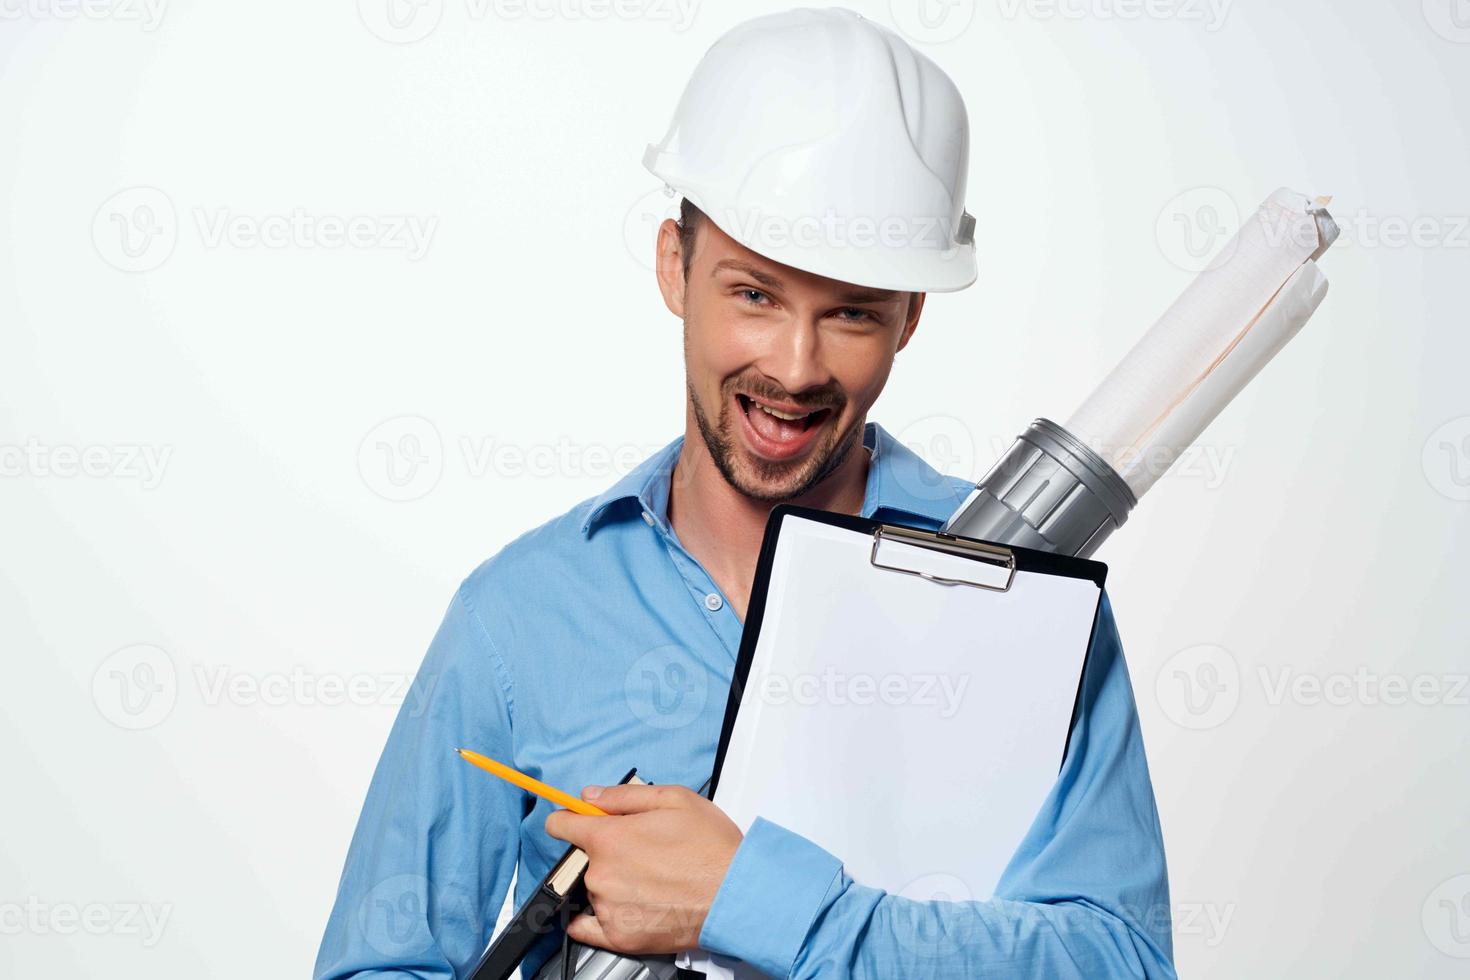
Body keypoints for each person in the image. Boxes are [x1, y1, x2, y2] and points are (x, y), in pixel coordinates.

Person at [314, 8, 1174, 978]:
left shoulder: (1023, 596)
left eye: (850, 311)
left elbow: (1121, 960)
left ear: (911, 315)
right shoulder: (516, 620)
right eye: (755, 294)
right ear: (675, 269)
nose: (796, 368)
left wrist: (748, 900)